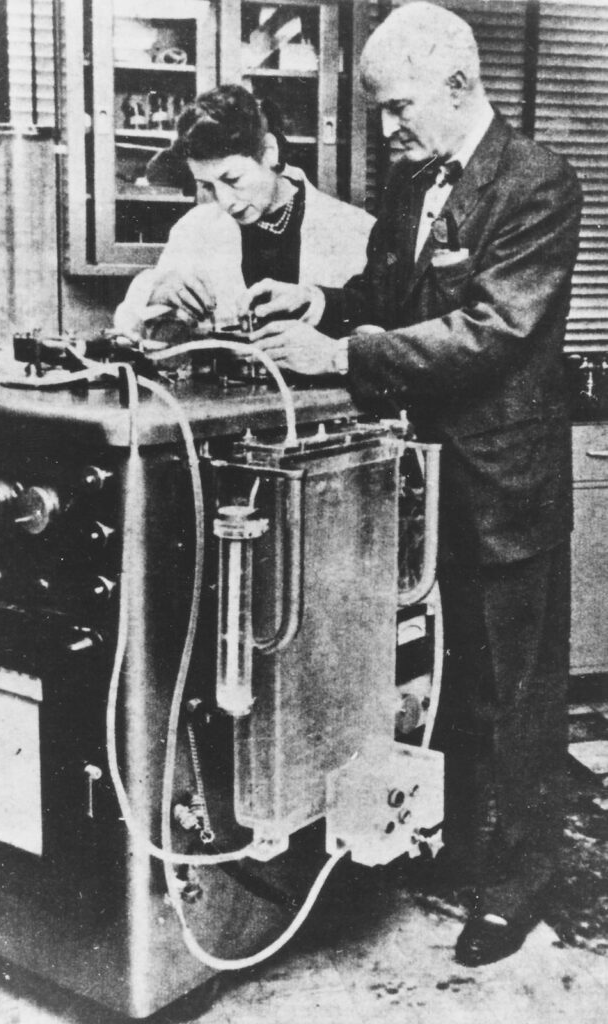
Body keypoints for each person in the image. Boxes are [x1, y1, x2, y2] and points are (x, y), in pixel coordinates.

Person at [243, 1, 583, 967]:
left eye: (397, 110)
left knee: (511, 694)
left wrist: (338, 353)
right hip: (414, 484)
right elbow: (390, 303)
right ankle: (449, 847)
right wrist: (315, 301)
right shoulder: (405, 185)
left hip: (499, 484)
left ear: (461, 87)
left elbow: (491, 331)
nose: (387, 132)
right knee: (434, 681)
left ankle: (513, 888)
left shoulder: (538, 182)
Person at [114, 84, 373, 336]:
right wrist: (154, 293)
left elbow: (378, 337)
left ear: (269, 153)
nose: (225, 202)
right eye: (208, 186)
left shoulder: (355, 229)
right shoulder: (195, 229)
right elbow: (128, 326)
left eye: (233, 179)